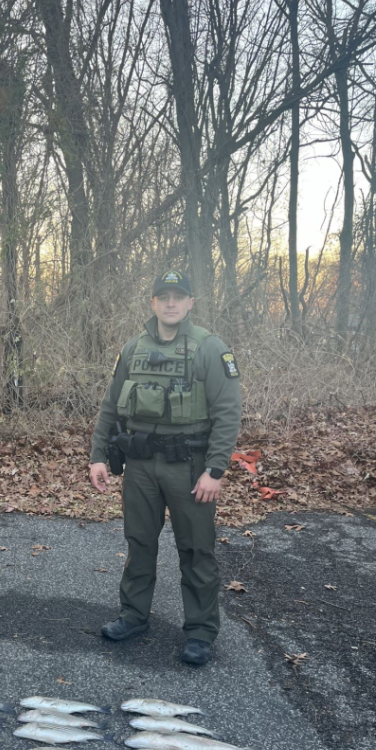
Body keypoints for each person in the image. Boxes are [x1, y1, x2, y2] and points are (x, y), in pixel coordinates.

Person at [89, 270, 241, 666]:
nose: (171, 303)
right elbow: (110, 406)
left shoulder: (210, 348)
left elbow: (228, 414)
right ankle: (134, 615)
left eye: (179, 296)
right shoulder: (132, 348)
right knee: (139, 542)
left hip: (189, 466)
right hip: (139, 464)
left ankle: (200, 633)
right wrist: (98, 456)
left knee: (195, 550)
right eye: (163, 296)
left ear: (191, 303)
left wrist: (216, 470)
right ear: (153, 303)